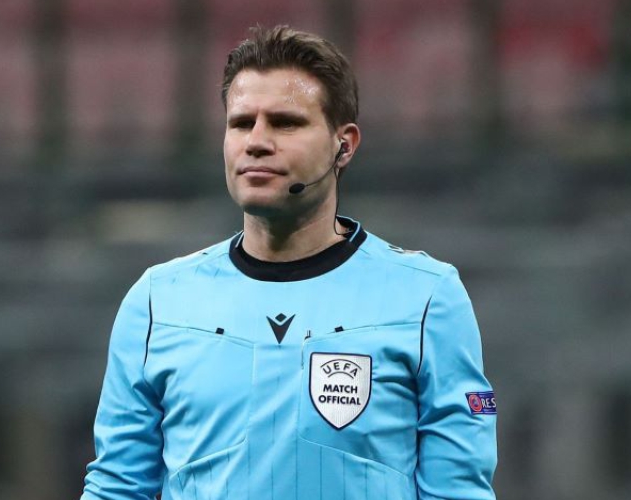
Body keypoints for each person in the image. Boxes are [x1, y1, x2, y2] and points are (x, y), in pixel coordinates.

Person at [81, 25, 497, 500]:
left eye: (285, 123)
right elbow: (117, 488)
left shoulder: (427, 298)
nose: (256, 142)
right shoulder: (157, 302)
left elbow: (458, 492)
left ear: (344, 145)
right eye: (241, 123)